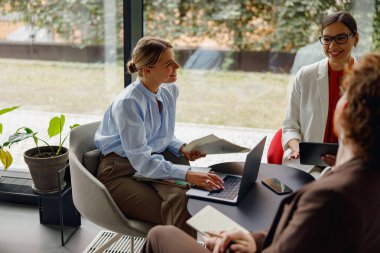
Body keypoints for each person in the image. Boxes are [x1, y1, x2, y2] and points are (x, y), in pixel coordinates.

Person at [141, 52, 380, 253]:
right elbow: (310, 236)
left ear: (345, 110)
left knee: (161, 235)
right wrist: (254, 242)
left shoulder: (331, 197)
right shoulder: (364, 181)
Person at [94, 36, 224, 236]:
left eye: (175, 60)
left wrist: (181, 147)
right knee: (181, 211)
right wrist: (189, 174)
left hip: (151, 161)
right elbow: (142, 161)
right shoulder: (129, 102)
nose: (177, 66)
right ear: (147, 70)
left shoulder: (169, 91)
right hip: (119, 171)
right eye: (168, 63)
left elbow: (160, 135)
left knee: (185, 200)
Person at [282, 11, 359, 177]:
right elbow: (290, 126)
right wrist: (295, 145)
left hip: (352, 167)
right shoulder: (305, 75)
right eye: (327, 39)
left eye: (341, 38)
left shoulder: (368, 80)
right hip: (308, 165)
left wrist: (347, 159)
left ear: (356, 39)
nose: (332, 46)